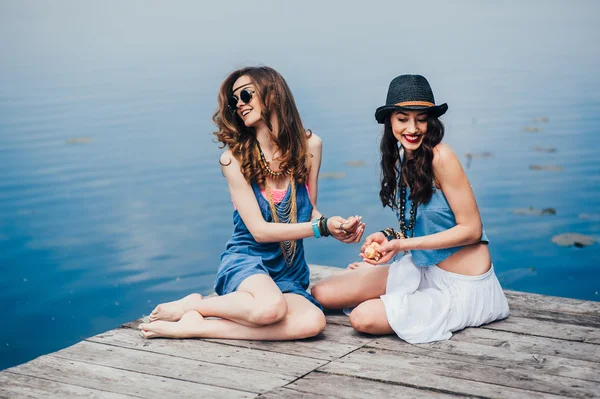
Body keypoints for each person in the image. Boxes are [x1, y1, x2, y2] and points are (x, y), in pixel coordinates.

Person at [139, 66, 364, 339]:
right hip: (248, 263)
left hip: (290, 271)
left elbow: (309, 212)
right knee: (270, 309)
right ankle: (196, 304)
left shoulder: (310, 147)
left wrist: (336, 226)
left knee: (312, 322)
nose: (240, 104)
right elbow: (259, 231)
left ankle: (197, 326)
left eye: (246, 95)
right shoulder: (233, 160)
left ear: (273, 94)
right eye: (235, 101)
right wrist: (322, 228)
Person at [311, 74, 509, 344]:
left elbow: (472, 231)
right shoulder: (406, 157)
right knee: (322, 293)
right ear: (390, 120)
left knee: (362, 318)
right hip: (422, 268)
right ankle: (394, 292)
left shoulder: (441, 156)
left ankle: (396, 298)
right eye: (403, 119)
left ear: (432, 120)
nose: (412, 128)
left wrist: (401, 248)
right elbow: (418, 225)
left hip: (462, 285)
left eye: (421, 118)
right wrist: (388, 238)